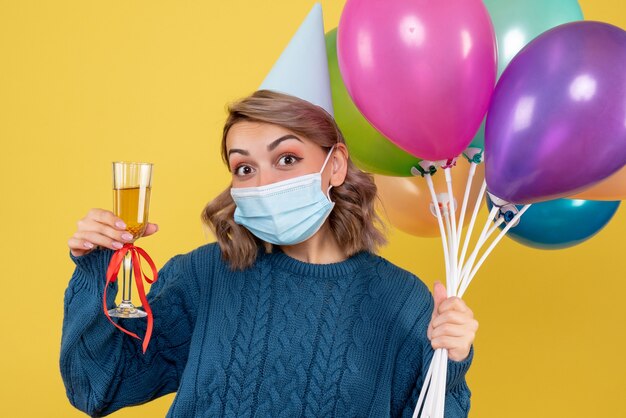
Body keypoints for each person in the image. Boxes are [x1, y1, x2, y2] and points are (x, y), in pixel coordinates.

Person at [62, 90, 479, 417]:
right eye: (244, 168)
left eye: (286, 158)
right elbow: (97, 388)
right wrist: (100, 266)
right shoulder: (204, 276)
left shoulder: (399, 299)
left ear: (334, 166)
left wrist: (452, 359)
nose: (263, 183)